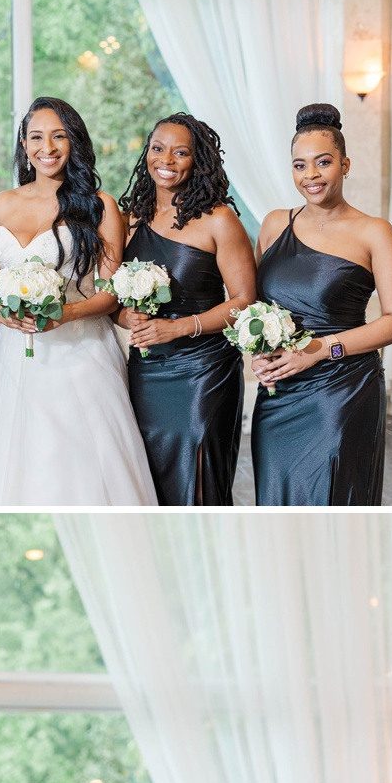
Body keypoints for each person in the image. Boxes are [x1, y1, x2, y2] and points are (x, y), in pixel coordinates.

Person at [0, 99, 157, 505]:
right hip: (13, 353)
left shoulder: (100, 205)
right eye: (37, 137)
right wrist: (3, 311)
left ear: (74, 142)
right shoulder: (3, 202)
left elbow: (111, 291)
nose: (48, 147)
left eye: (59, 136)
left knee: (82, 467)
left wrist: (65, 314)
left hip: (80, 351)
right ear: (24, 145)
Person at [249, 103, 392, 505]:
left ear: (345, 164)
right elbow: (253, 311)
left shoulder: (375, 232)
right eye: (299, 166)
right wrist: (257, 354)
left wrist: (321, 349)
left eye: (323, 162)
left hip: (341, 394)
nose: (311, 176)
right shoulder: (274, 224)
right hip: (279, 392)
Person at [116, 114, 253, 505]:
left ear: (198, 161)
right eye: (158, 149)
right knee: (150, 474)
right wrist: (129, 318)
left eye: (181, 152)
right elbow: (113, 303)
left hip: (204, 372)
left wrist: (177, 329)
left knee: (198, 474)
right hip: (146, 368)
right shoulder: (131, 220)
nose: (167, 160)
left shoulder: (220, 220)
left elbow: (244, 302)